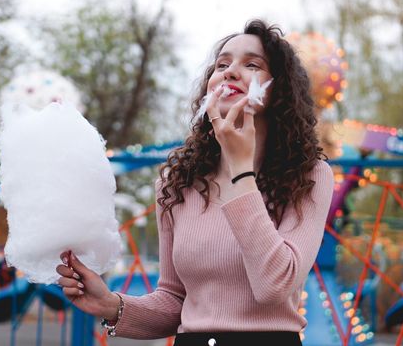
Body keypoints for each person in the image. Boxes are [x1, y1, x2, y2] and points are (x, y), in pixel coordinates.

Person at [56, 19, 334, 346]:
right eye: (222, 64)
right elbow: (175, 300)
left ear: (279, 90)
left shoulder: (308, 175)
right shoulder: (178, 182)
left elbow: (274, 285)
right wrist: (111, 305)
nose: (230, 72)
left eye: (252, 64)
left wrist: (240, 170)